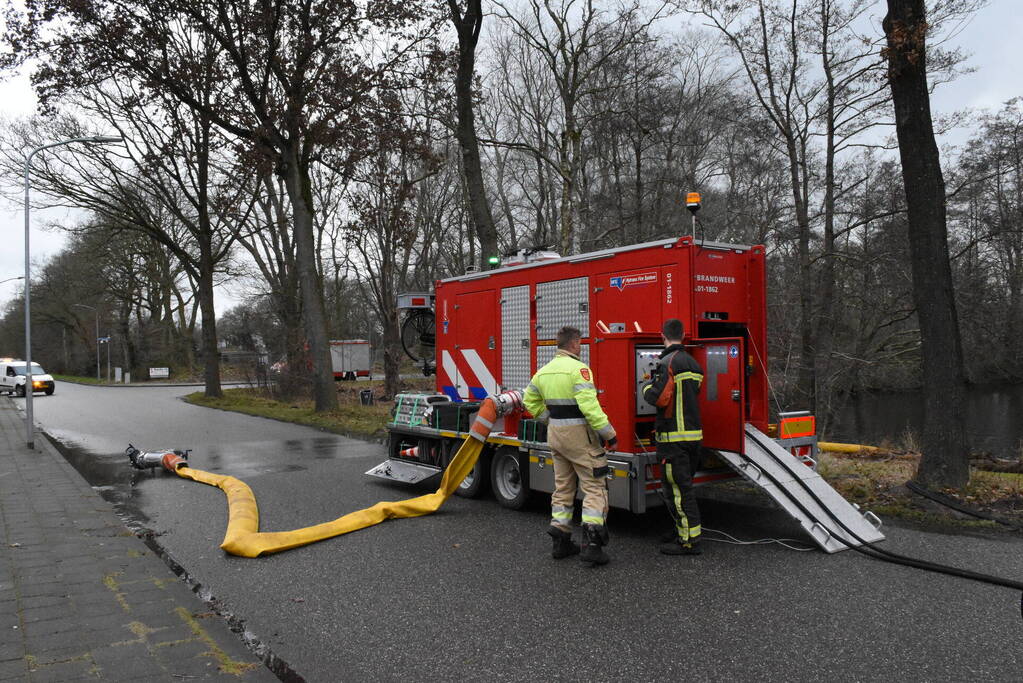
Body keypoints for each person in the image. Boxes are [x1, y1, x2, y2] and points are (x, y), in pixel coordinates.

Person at [523, 326, 617, 566]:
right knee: (595, 486)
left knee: (563, 486)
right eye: (580, 343)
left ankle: (561, 539)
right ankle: (593, 545)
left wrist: (549, 419)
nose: (581, 347)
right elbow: (590, 408)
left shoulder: (543, 372)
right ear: (574, 344)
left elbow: (529, 400)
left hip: (556, 435)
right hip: (580, 438)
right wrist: (609, 434)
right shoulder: (580, 371)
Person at [642, 318, 705, 555]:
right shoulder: (693, 363)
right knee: (682, 489)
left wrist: (646, 386)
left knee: (679, 492)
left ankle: (689, 542)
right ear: (684, 335)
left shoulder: (666, 363)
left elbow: (657, 398)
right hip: (693, 439)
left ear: (662, 336)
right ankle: (681, 531)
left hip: (673, 442)